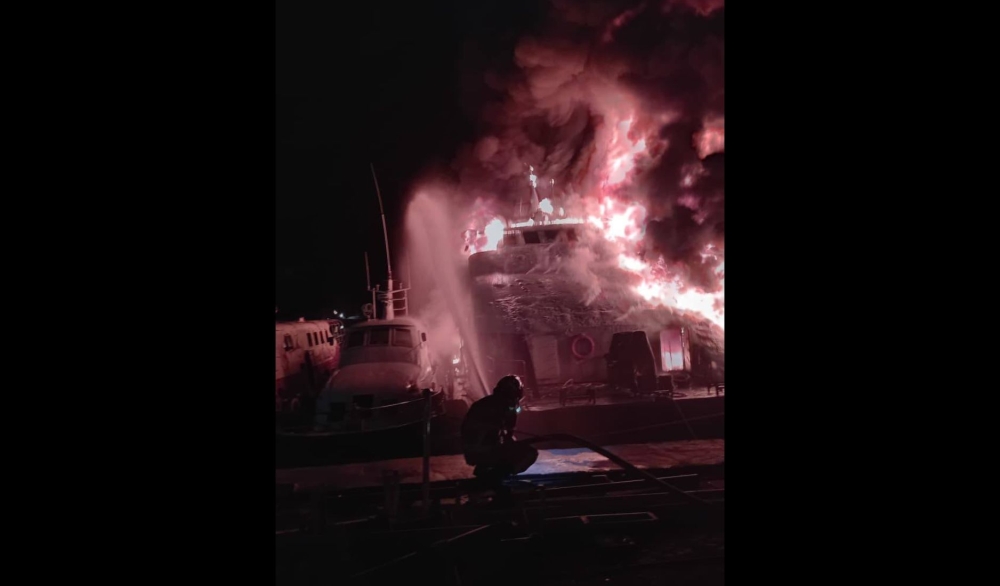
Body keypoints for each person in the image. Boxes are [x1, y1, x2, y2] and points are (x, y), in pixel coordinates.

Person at [461, 375, 539, 487]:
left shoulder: (484, 403)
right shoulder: (505, 407)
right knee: (530, 453)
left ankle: (486, 472)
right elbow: (503, 436)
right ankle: (493, 479)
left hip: (472, 452)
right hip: (484, 451)